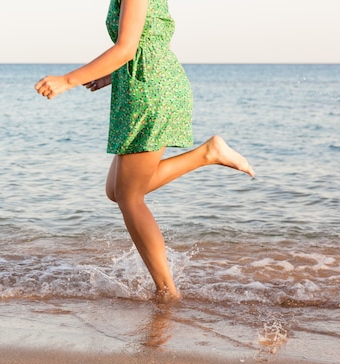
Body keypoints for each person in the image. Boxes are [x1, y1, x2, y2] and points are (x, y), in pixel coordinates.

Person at [35, 0, 254, 302]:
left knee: (130, 197)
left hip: (150, 93)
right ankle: (207, 153)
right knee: (117, 191)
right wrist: (111, 75)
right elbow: (144, 41)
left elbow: (126, 48)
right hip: (139, 86)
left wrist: (69, 80)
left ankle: (167, 291)